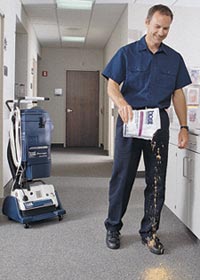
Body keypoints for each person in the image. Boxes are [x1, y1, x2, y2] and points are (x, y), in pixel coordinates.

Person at [102, 4, 191, 255]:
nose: (161, 32)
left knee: (156, 180)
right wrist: (121, 102)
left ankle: (150, 232)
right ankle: (113, 227)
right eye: (157, 27)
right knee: (123, 177)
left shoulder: (174, 58)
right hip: (130, 120)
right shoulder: (126, 53)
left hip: (158, 124)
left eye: (166, 28)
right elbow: (112, 85)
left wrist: (183, 126)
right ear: (147, 23)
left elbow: (178, 94)